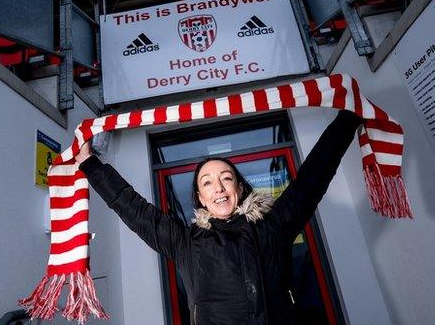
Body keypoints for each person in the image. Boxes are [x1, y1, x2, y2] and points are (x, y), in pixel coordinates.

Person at [75, 110, 361, 325]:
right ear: (200, 197)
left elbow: (313, 177)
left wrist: (347, 120)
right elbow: (131, 207)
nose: (219, 188)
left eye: (226, 178)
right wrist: (91, 165)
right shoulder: (185, 242)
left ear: (239, 187)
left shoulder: (274, 225)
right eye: (208, 183)